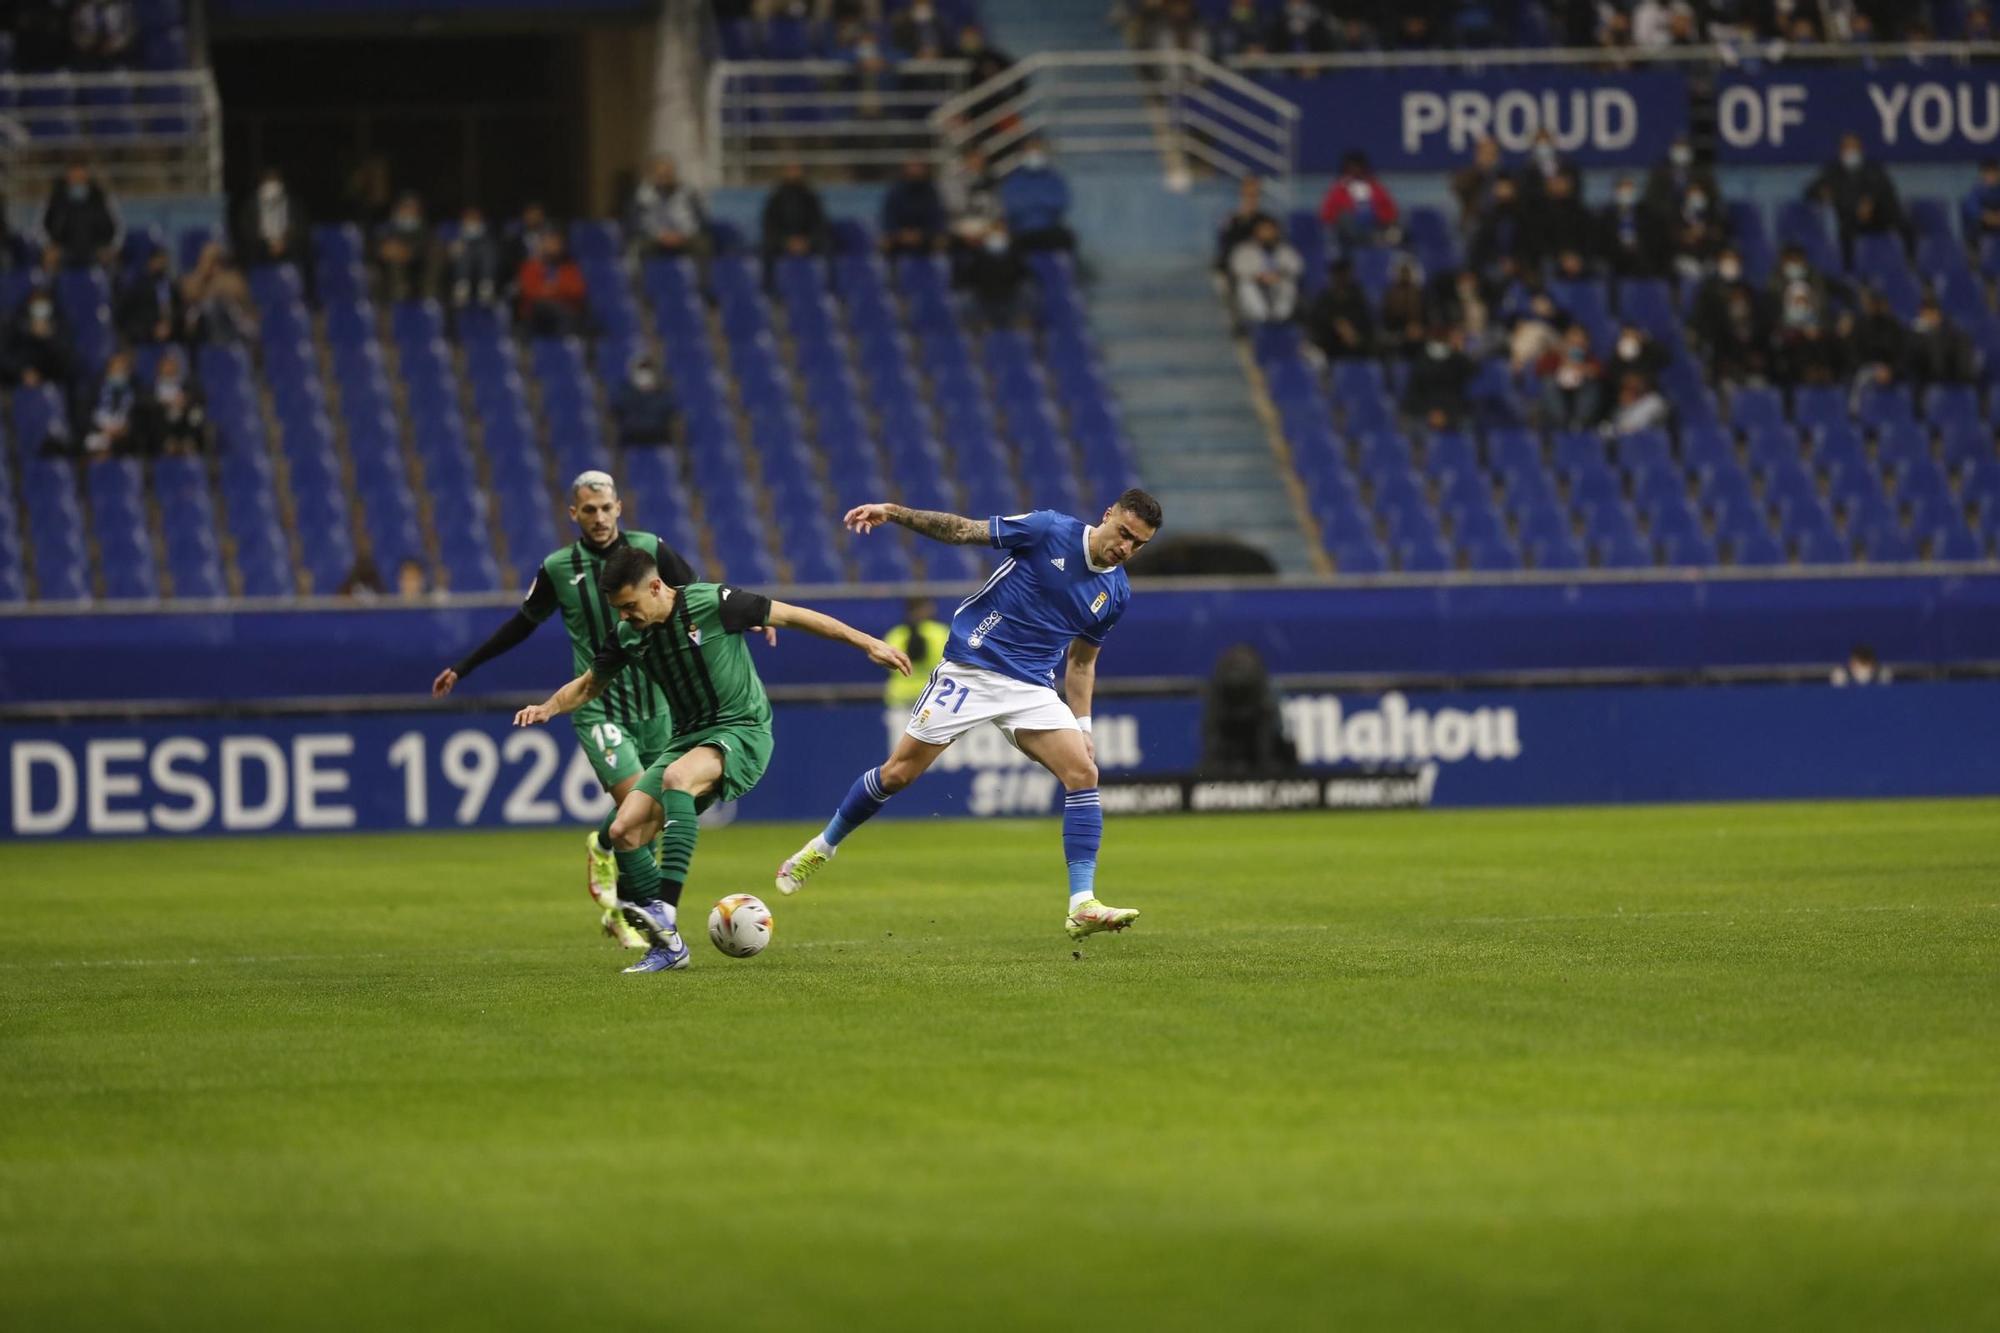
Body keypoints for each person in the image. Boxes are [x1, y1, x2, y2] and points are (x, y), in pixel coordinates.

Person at [774, 492, 1161, 944]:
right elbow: (962, 530)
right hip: (973, 668)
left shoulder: (1115, 591)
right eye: (1125, 534)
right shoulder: (1048, 529)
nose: (1126, 548)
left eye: (1138, 544)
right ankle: (820, 848)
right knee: (898, 775)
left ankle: (1082, 904)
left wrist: (1083, 726)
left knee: (1083, 772)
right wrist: (896, 513)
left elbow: (1081, 664)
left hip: (1032, 686)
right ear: (1108, 514)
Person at [514, 547, 912, 974]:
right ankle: (669, 948)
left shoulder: (712, 603)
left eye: (630, 606)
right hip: (686, 738)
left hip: (742, 730)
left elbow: (797, 617)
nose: (625, 616)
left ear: (656, 586)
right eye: (618, 609)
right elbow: (591, 684)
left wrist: (867, 642)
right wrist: (549, 707)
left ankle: (664, 908)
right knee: (624, 830)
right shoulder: (629, 633)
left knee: (677, 777)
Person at [435, 471, 706, 950]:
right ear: (573, 514)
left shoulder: (650, 550)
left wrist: (750, 621)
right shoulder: (559, 568)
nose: (598, 518)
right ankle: (642, 920)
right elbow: (522, 625)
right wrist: (465, 666)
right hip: (598, 706)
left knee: (651, 817)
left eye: (605, 508)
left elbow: (699, 595)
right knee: (632, 808)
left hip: (659, 703)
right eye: (588, 510)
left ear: (619, 507)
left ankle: (604, 851)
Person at [1806, 132, 1908, 266]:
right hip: (1851, 219)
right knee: (1845, 232)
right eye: (1848, 148)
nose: (1851, 152)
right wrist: (1821, 193)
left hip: (1878, 217)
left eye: (1854, 148)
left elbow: (1887, 190)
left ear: (1860, 150)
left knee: (1905, 225)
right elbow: (1809, 191)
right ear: (1841, 150)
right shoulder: (1832, 171)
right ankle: (1849, 271)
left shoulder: (1873, 169)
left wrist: (1870, 202)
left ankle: (1909, 265)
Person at [627, 156, 710, 261]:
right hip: (654, 238)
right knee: (637, 247)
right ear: (653, 175)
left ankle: (702, 278)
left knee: (703, 244)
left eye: (668, 174)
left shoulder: (689, 193)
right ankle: (639, 278)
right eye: (661, 175)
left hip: (685, 236)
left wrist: (682, 235)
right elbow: (635, 223)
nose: (664, 179)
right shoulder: (642, 195)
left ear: (674, 174)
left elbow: (702, 220)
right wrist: (660, 235)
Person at [999, 139, 1075, 253]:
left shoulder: (1054, 179)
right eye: (1030, 151)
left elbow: (1061, 202)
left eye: (1037, 151)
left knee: (1067, 239)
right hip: (1022, 231)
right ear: (1022, 154)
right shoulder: (1013, 180)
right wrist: (1041, 201)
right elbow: (1012, 207)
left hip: (1049, 229)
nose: (1034, 155)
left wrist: (1030, 201)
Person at [41, 164, 121, 269]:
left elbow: (118, 227)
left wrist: (112, 247)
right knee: (48, 261)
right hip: (63, 251)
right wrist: (48, 247)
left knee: (113, 263)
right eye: (74, 178)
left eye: (80, 178)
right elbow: (40, 228)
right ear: (67, 178)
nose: (77, 182)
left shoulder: (102, 198)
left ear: (87, 178)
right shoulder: (54, 199)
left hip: (96, 251)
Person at [761, 162, 832, 279]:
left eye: (796, 169)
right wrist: (785, 241)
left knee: (828, 248)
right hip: (782, 241)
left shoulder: (810, 197)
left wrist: (808, 241)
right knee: (766, 251)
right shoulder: (776, 198)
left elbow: (820, 223)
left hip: (808, 241)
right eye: (790, 169)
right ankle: (769, 291)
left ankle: (829, 289)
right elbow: (769, 225)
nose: (793, 173)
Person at [1228, 216, 1303, 326]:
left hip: (1277, 285)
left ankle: (1280, 319)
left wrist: (1279, 275)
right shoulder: (1245, 249)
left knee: (1289, 283)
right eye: (1264, 230)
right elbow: (1237, 269)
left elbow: (1297, 267)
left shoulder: (1285, 249)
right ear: (1256, 232)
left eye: (1270, 230)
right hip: (1256, 286)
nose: (1267, 233)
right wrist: (1259, 277)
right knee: (1245, 284)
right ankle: (1262, 319)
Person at [1318, 151, 1400, 250]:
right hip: (1347, 232)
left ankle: (1376, 238)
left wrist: (1380, 216)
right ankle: (1372, 239)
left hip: (1375, 225)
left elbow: (1390, 210)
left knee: (1399, 224)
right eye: (1351, 167)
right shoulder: (1338, 188)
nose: (1355, 170)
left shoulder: (1375, 186)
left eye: (1357, 167)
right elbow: (1326, 214)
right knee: (1345, 218)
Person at [180, 243, 258, 345]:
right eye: (202, 259)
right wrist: (202, 274)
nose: (202, 262)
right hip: (208, 335)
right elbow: (187, 292)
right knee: (201, 309)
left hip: (240, 330)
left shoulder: (233, 278)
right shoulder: (195, 279)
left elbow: (245, 306)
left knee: (213, 304)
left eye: (206, 259)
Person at [1, 290, 76, 393]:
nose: (40, 315)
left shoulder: (60, 327)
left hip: (50, 387)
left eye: (44, 309)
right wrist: (22, 372)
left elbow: (65, 362)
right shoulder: (17, 327)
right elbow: (6, 357)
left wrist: (49, 338)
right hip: (18, 384)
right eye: (36, 309)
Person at [882, 596, 949, 709]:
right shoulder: (941, 632)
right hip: (933, 696)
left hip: (901, 697)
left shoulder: (895, 634)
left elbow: (888, 666)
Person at [958, 222, 1029, 330]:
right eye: (993, 231)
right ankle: (979, 331)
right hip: (984, 299)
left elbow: (1023, 275)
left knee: (1027, 289)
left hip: (1011, 298)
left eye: (1000, 231)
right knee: (965, 296)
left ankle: (1021, 330)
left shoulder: (1015, 253)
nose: (996, 235)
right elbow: (969, 278)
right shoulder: (977, 255)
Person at [516, 231, 587, 338]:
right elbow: (529, 292)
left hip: (565, 314)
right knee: (541, 307)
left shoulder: (570, 268)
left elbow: (578, 291)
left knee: (570, 315)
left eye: (556, 243)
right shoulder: (530, 267)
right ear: (542, 245)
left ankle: (567, 347)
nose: (553, 247)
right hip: (536, 317)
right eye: (549, 242)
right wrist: (558, 291)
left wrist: (552, 289)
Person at [137, 348, 207, 456]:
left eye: (172, 365)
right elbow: (143, 401)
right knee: (167, 413)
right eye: (166, 365)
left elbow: (200, 397)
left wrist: (185, 399)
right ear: (159, 368)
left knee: (196, 412)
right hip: (162, 424)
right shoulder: (151, 388)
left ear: (177, 368)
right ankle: (169, 443)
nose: (169, 368)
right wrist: (165, 402)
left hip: (184, 420)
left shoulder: (185, 385)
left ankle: (188, 442)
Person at [1403, 328, 1474, 431]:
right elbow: (1413, 394)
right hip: (1425, 414)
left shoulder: (1457, 361)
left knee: (1467, 425)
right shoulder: (1421, 362)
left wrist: (1459, 351)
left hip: (1453, 414)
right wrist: (1430, 413)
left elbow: (1472, 372)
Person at [1304, 259, 1375, 361]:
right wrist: (1336, 324)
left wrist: (1354, 334)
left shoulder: (1359, 297)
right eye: (1338, 275)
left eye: (1345, 275)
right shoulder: (1325, 298)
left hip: (1357, 348)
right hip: (1329, 347)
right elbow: (1315, 322)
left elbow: (1368, 324)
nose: (1342, 279)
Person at [1539, 324, 1605, 432]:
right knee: (1548, 383)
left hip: (1582, 403)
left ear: (1586, 344)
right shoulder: (1554, 357)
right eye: (1572, 341)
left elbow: (1601, 373)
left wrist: (1583, 369)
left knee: (1593, 385)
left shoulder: (1591, 360)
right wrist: (1563, 362)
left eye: (1579, 343)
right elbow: (1541, 369)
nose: (1575, 345)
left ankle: (1578, 425)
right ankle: (1562, 424)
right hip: (1560, 404)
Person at [236, 168, 307, 268]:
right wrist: (267, 246)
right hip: (259, 252)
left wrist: (285, 244)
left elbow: (301, 230)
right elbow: (246, 233)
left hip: (289, 252)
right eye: (268, 184)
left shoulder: (294, 205)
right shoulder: (250, 206)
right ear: (261, 187)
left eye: (275, 184)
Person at [373, 192, 437, 303]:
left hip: (418, 262)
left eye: (412, 208)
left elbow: (425, 246)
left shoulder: (424, 229)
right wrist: (386, 250)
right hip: (390, 264)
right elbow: (379, 247)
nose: (409, 211)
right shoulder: (387, 227)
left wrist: (407, 252)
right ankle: (398, 294)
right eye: (406, 207)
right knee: (393, 261)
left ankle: (427, 299)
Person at [1902, 298, 1977, 390]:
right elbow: (1909, 362)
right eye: (1925, 315)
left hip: (1952, 381)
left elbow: (1962, 366)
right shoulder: (1913, 333)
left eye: (1932, 314)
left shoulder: (1955, 334)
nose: (1929, 319)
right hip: (1924, 383)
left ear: (1938, 315)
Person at [1599, 176, 1666, 278]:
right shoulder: (1606, 215)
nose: (1626, 193)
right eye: (1622, 189)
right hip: (1615, 256)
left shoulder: (1645, 214)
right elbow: (1602, 241)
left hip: (1640, 255)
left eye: (1629, 189)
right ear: (1615, 192)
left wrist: (1638, 244)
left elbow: (1653, 238)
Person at [81, 349, 144, 458]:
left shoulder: (135, 388)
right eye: (116, 369)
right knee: (93, 445)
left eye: (123, 369)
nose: (120, 372)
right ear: (108, 369)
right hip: (98, 430)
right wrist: (102, 429)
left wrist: (124, 429)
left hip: (124, 436)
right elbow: (84, 414)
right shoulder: (95, 388)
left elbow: (137, 416)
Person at [114, 247, 180, 346]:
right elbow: (125, 316)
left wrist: (170, 326)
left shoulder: (172, 287)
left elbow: (177, 311)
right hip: (145, 341)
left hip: (171, 341)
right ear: (150, 262)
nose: (162, 263)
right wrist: (151, 330)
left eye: (164, 260)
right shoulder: (138, 287)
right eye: (158, 259)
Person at [881, 158, 947, 257]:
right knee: (884, 243)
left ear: (925, 169)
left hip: (924, 236)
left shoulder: (931, 192)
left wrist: (922, 234)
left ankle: (936, 270)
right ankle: (891, 271)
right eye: (912, 167)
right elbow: (888, 217)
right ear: (905, 169)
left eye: (918, 167)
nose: (915, 170)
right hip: (899, 236)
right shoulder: (895, 191)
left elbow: (937, 218)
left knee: (941, 241)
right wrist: (900, 233)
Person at [612, 354, 677, 447]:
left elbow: (670, 411)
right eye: (641, 370)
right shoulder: (625, 392)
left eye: (648, 371)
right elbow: (615, 412)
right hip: (631, 435)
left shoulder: (662, 393)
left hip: (658, 435)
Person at [1215, 176, 1275, 276]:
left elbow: (1275, 245)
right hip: (1239, 267)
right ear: (1241, 195)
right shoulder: (1231, 220)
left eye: (1255, 195)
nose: (1251, 199)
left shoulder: (1266, 220)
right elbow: (1225, 248)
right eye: (1247, 195)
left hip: (1264, 266)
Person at [446, 206, 502, 309]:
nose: (472, 221)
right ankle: (461, 288)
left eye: (475, 218)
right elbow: (445, 254)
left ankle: (486, 287)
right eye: (469, 218)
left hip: (482, 272)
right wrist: (451, 250)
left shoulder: (489, 236)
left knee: (488, 249)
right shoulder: (455, 233)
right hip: (459, 272)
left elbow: (496, 255)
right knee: (461, 249)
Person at [1605, 370, 1671, 436]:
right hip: (1627, 438)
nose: (1627, 391)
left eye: (1632, 386)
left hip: (1648, 440)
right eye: (1626, 387)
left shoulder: (1653, 401)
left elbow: (1634, 427)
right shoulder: (1626, 406)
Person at [1961, 159, 2000, 245]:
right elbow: (1976, 213)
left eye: (1994, 172)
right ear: (1982, 174)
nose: (1991, 176)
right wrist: (1991, 218)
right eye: (1988, 173)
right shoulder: (1976, 191)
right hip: (1980, 232)